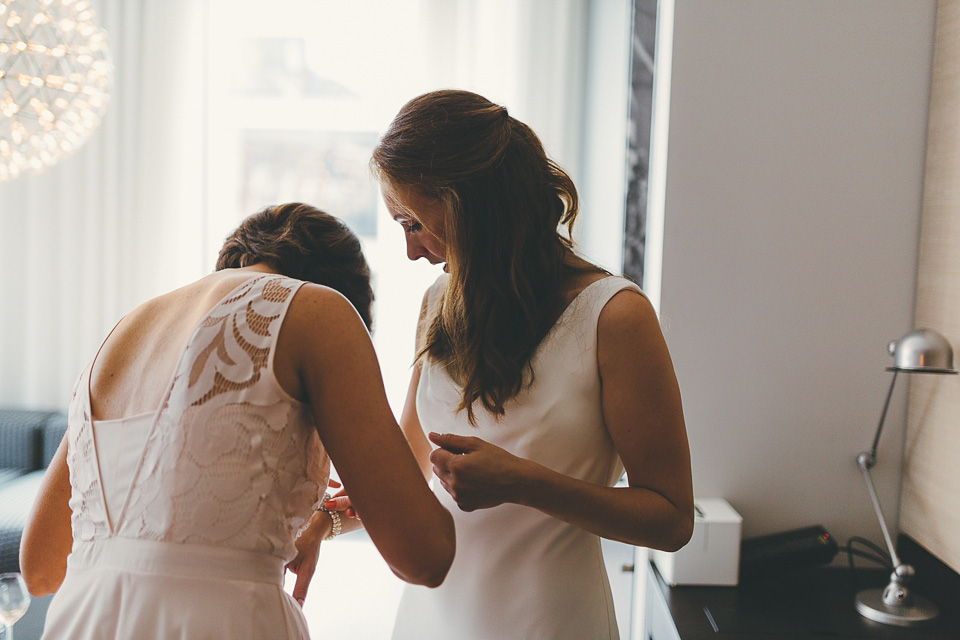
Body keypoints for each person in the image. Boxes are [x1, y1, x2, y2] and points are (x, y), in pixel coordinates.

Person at [19, 203, 455, 639]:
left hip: (79, 622)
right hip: (221, 623)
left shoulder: (119, 336)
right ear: (344, 290)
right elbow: (423, 556)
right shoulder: (319, 310)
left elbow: (39, 569)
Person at [361, 89, 695, 640]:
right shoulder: (438, 301)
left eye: (413, 222)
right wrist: (325, 520)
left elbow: (672, 519)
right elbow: (409, 461)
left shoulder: (614, 317)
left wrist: (524, 482)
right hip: (430, 620)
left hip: (553, 622)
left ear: (471, 206)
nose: (412, 251)